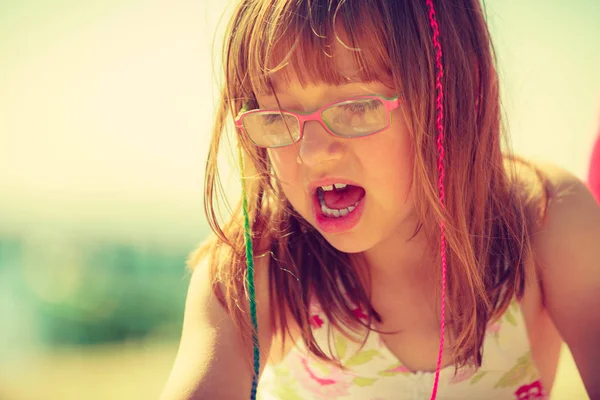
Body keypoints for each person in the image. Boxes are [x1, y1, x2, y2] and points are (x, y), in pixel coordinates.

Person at [160, 1, 600, 399]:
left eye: (357, 108)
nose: (311, 152)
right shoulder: (255, 269)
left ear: (460, 94)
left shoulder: (544, 220)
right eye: (275, 116)